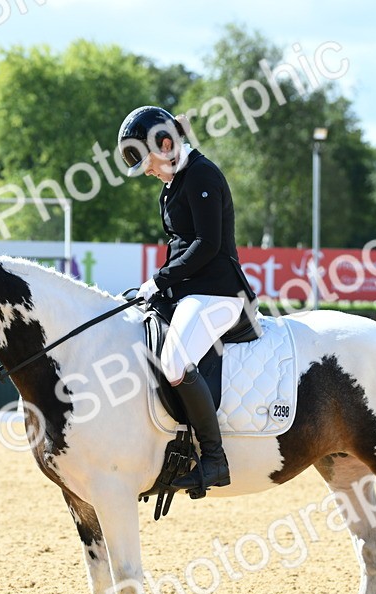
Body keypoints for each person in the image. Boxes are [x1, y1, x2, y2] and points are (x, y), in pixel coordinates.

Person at [118, 105, 256, 493]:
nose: (146, 170)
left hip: (220, 293)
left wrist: (159, 279)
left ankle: (214, 458)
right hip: (190, 292)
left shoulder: (201, 174)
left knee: (176, 361)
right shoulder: (172, 183)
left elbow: (207, 245)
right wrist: (158, 289)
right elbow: (179, 246)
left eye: (147, 161)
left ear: (166, 143)